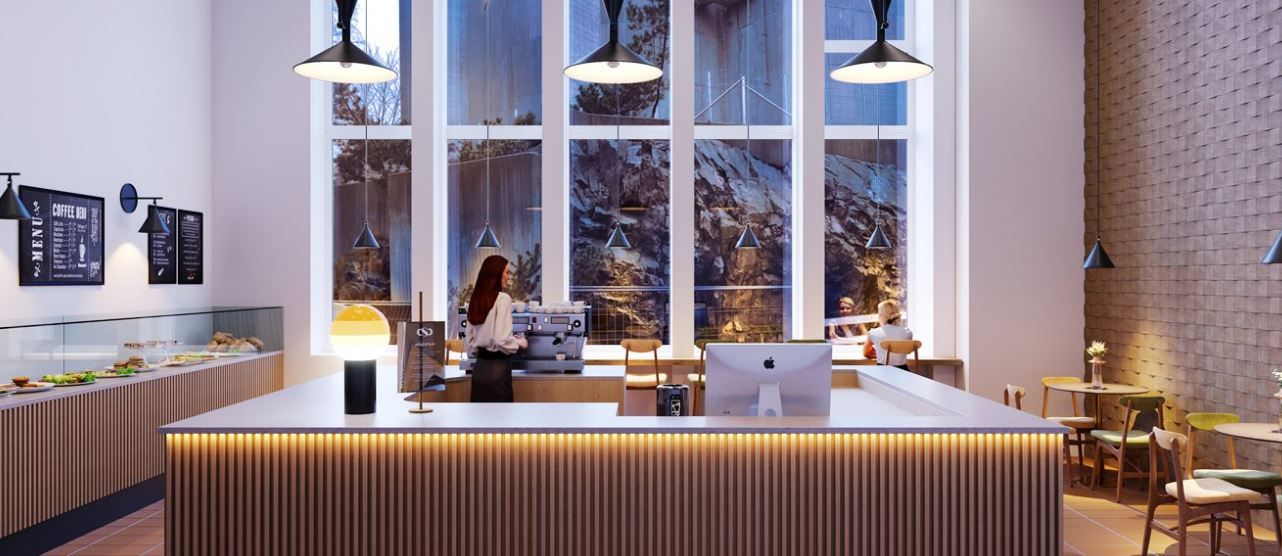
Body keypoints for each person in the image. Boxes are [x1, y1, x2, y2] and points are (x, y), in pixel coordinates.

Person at [465, 255, 527, 402]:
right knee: (501, 416)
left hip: (479, 372)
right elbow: (500, 340)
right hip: (498, 371)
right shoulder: (503, 299)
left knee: (479, 415)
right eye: (506, 272)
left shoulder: (475, 299)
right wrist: (519, 343)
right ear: (496, 273)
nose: (508, 277)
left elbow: (470, 343)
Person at [866, 299, 912, 371]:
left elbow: (866, 352)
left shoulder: (873, 333)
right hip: (903, 372)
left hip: (882, 372)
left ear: (880, 315)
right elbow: (908, 351)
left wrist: (882, 353)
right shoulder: (907, 333)